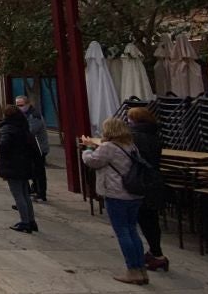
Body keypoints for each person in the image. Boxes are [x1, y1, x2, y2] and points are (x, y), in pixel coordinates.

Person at [81, 118, 149, 285]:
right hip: (134, 194)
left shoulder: (109, 147)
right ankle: (141, 269)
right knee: (132, 231)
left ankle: (133, 270)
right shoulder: (130, 145)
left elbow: (92, 161)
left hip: (116, 193)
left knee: (123, 232)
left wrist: (88, 148)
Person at [127, 107, 167, 272]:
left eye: (129, 118)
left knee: (141, 220)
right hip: (154, 180)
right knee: (151, 219)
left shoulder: (134, 137)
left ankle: (155, 255)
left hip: (140, 181)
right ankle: (155, 253)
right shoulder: (155, 135)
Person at [0, 104, 38, 233]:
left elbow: (4, 145)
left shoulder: (8, 128)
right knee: (25, 194)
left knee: (18, 195)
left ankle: (25, 222)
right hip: (24, 164)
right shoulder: (23, 126)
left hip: (12, 165)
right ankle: (31, 221)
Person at [18, 95, 49, 202]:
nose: (19, 107)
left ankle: (41, 193)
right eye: (17, 105)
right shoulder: (23, 115)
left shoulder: (34, 116)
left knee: (39, 172)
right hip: (30, 148)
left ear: (27, 104)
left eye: (21, 105)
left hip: (39, 148)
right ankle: (35, 189)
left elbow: (30, 131)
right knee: (32, 170)